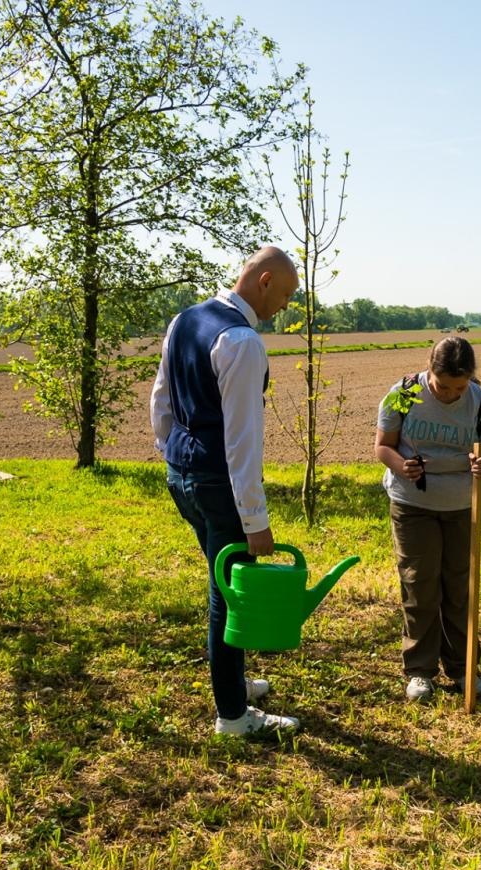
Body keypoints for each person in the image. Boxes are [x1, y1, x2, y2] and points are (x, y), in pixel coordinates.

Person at [151, 246, 300, 738]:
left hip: (185, 476)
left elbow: (161, 399)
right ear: (262, 281)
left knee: (222, 587)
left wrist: (172, 452)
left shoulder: (184, 321)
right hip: (219, 484)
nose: (285, 305)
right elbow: (242, 440)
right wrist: (255, 520)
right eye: (285, 294)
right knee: (229, 598)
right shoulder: (242, 341)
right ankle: (234, 715)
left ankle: (232, 678)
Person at [374, 336, 481, 701]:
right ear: (429, 371)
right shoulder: (402, 394)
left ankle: (463, 667)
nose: (449, 395)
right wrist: (403, 466)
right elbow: (383, 446)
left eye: (459, 388)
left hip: (463, 507)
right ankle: (420, 671)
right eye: (442, 386)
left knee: (460, 587)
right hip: (412, 504)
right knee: (420, 585)